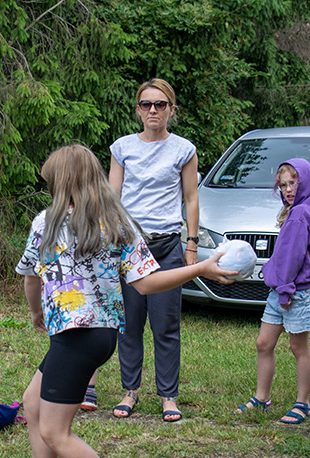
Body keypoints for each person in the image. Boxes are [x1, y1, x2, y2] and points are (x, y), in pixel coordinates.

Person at [0, 144, 236, 458]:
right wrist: (200, 268)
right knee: (33, 401)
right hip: (99, 336)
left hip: (76, 337)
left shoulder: (45, 222)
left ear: (61, 182)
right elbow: (149, 281)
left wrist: (35, 313)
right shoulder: (117, 221)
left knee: (54, 431)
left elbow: (30, 278)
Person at [106, 78, 199, 422]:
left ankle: (168, 396)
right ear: (138, 110)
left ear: (171, 109)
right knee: (129, 324)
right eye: (146, 104)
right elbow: (112, 198)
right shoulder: (122, 148)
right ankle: (129, 391)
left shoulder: (183, 150)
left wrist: (191, 243)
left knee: (166, 324)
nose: (153, 110)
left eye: (160, 104)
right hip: (130, 246)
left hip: (168, 246)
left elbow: (191, 198)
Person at [233, 159, 310, 425]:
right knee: (264, 343)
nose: (288, 189)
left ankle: (302, 403)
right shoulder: (294, 212)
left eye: (293, 183)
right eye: (283, 185)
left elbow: (293, 259)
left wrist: (284, 291)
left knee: (298, 347)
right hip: (280, 291)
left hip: (295, 292)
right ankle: (262, 397)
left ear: (305, 182)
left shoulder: (301, 214)